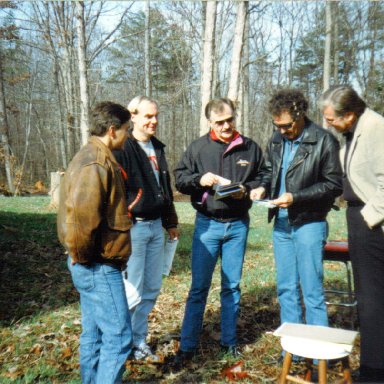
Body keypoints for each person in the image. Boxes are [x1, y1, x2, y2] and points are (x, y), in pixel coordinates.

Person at [173, 98, 267, 365]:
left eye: (230, 119)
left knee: (232, 287)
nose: (226, 126)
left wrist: (257, 188)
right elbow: (180, 179)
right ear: (210, 122)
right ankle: (187, 346)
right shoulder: (198, 148)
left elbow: (264, 175)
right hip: (207, 225)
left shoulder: (249, 147)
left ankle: (229, 343)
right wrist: (198, 180)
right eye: (220, 122)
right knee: (198, 288)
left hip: (238, 225)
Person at [250, 89, 342, 334]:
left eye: (287, 125)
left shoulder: (324, 140)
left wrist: (296, 197)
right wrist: (261, 187)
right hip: (281, 225)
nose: (281, 130)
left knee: (312, 290)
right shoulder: (276, 139)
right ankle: (293, 350)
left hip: (309, 223)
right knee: (286, 288)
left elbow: (333, 185)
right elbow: (268, 171)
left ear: (301, 116)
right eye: (276, 125)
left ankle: (318, 354)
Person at [57, 101, 133, 384]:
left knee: (95, 333)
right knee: (120, 337)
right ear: (112, 130)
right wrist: (81, 254)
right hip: (97, 264)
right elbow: (81, 220)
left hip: (90, 262)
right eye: (126, 129)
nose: (128, 135)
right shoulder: (95, 162)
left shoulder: (95, 156)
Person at [319, 85, 384, 383]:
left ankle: (374, 372)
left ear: (350, 113)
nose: (327, 123)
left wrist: (370, 218)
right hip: (359, 218)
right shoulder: (350, 132)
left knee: (373, 298)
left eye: (331, 118)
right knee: (368, 297)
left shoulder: (376, 128)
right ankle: (374, 364)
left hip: (374, 222)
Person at [113, 96, 179, 362]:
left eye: (156, 116)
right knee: (133, 290)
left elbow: (165, 189)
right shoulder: (123, 147)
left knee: (152, 288)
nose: (154, 121)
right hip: (135, 229)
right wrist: (126, 218)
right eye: (148, 116)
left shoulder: (157, 147)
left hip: (155, 228)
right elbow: (116, 191)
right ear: (133, 117)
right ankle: (121, 343)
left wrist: (171, 221)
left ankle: (138, 341)